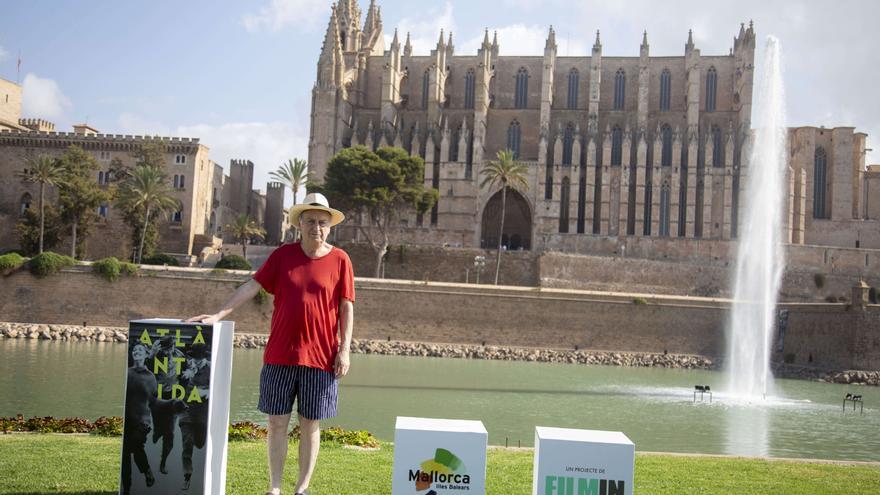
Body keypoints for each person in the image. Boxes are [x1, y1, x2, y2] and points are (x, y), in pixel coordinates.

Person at [187, 192, 355, 495]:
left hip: (321, 359)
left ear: (330, 227)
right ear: (299, 224)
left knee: (310, 426)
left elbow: (346, 307)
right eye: (310, 221)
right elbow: (252, 286)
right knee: (277, 424)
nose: (316, 227)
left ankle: (301, 488)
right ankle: (275, 488)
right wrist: (217, 314)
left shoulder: (340, 260)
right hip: (279, 356)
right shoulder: (282, 256)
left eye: (322, 222)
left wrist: (344, 350)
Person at [121, 343, 157, 495]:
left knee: (135, 446)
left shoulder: (150, 377)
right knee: (125, 456)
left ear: (145, 354)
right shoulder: (127, 372)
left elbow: (153, 399)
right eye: (134, 350)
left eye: (140, 350)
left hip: (143, 421)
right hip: (128, 420)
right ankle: (127, 489)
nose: (136, 352)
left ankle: (146, 470)